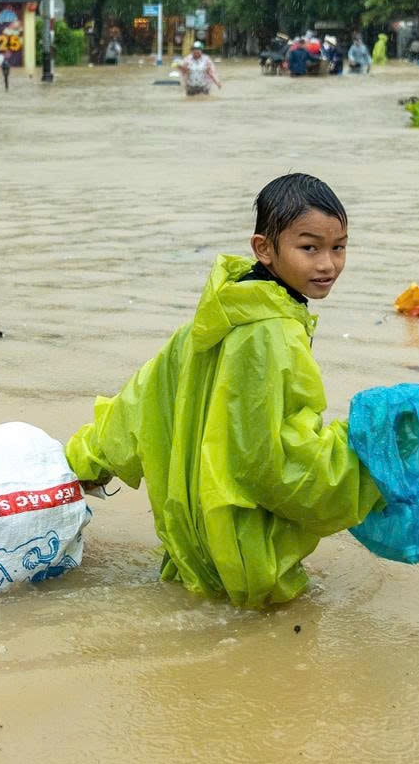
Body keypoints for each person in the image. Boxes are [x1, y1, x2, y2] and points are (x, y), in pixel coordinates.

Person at [65, 174, 382, 608]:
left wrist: (85, 460)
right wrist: (369, 449)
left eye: (338, 247)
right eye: (309, 247)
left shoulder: (221, 311)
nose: (327, 264)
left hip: (191, 533)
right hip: (243, 545)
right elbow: (276, 460)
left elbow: (144, 397)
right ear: (264, 249)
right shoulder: (274, 333)